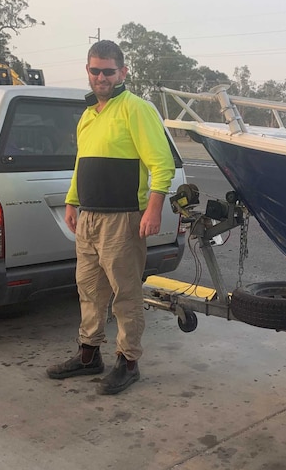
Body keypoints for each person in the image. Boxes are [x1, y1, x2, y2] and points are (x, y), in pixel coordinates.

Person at [46, 40, 175, 395]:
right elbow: (80, 164)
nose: (101, 77)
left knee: (126, 294)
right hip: (89, 217)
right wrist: (72, 201)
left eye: (108, 71)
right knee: (88, 290)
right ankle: (89, 355)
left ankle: (128, 361)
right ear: (87, 72)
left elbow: (160, 163)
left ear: (123, 72)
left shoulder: (136, 108)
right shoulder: (89, 115)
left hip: (123, 219)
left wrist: (154, 207)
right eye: (95, 70)